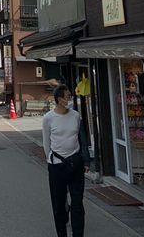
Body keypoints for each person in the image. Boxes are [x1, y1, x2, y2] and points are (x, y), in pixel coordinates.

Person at [42, 84, 90, 237]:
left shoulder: (76, 115)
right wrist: (50, 159)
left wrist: (86, 160)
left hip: (75, 163)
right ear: (59, 99)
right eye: (67, 96)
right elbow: (46, 143)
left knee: (77, 203)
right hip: (57, 165)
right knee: (59, 205)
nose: (70, 99)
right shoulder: (48, 118)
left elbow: (82, 138)